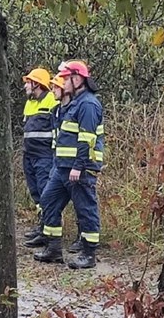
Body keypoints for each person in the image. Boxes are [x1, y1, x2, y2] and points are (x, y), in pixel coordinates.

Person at [34, 60, 105, 269]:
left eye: (66, 79)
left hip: (79, 169)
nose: (62, 83)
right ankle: (54, 248)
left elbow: (87, 139)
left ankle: (89, 253)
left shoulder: (88, 104)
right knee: (47, 201)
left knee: (85, 209)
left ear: (77, 79)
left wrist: (79, 166)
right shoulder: (74, 103)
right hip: (62, 167)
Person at [21, 68, 59, 244]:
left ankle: (48, 230)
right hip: (29, 155)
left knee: (45, 193)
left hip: (44, 156)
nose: (26, 85)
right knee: (36, 194)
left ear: (37, 84)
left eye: (28, 82)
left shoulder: (51, 100)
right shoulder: (29, 103)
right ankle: (42, 225)